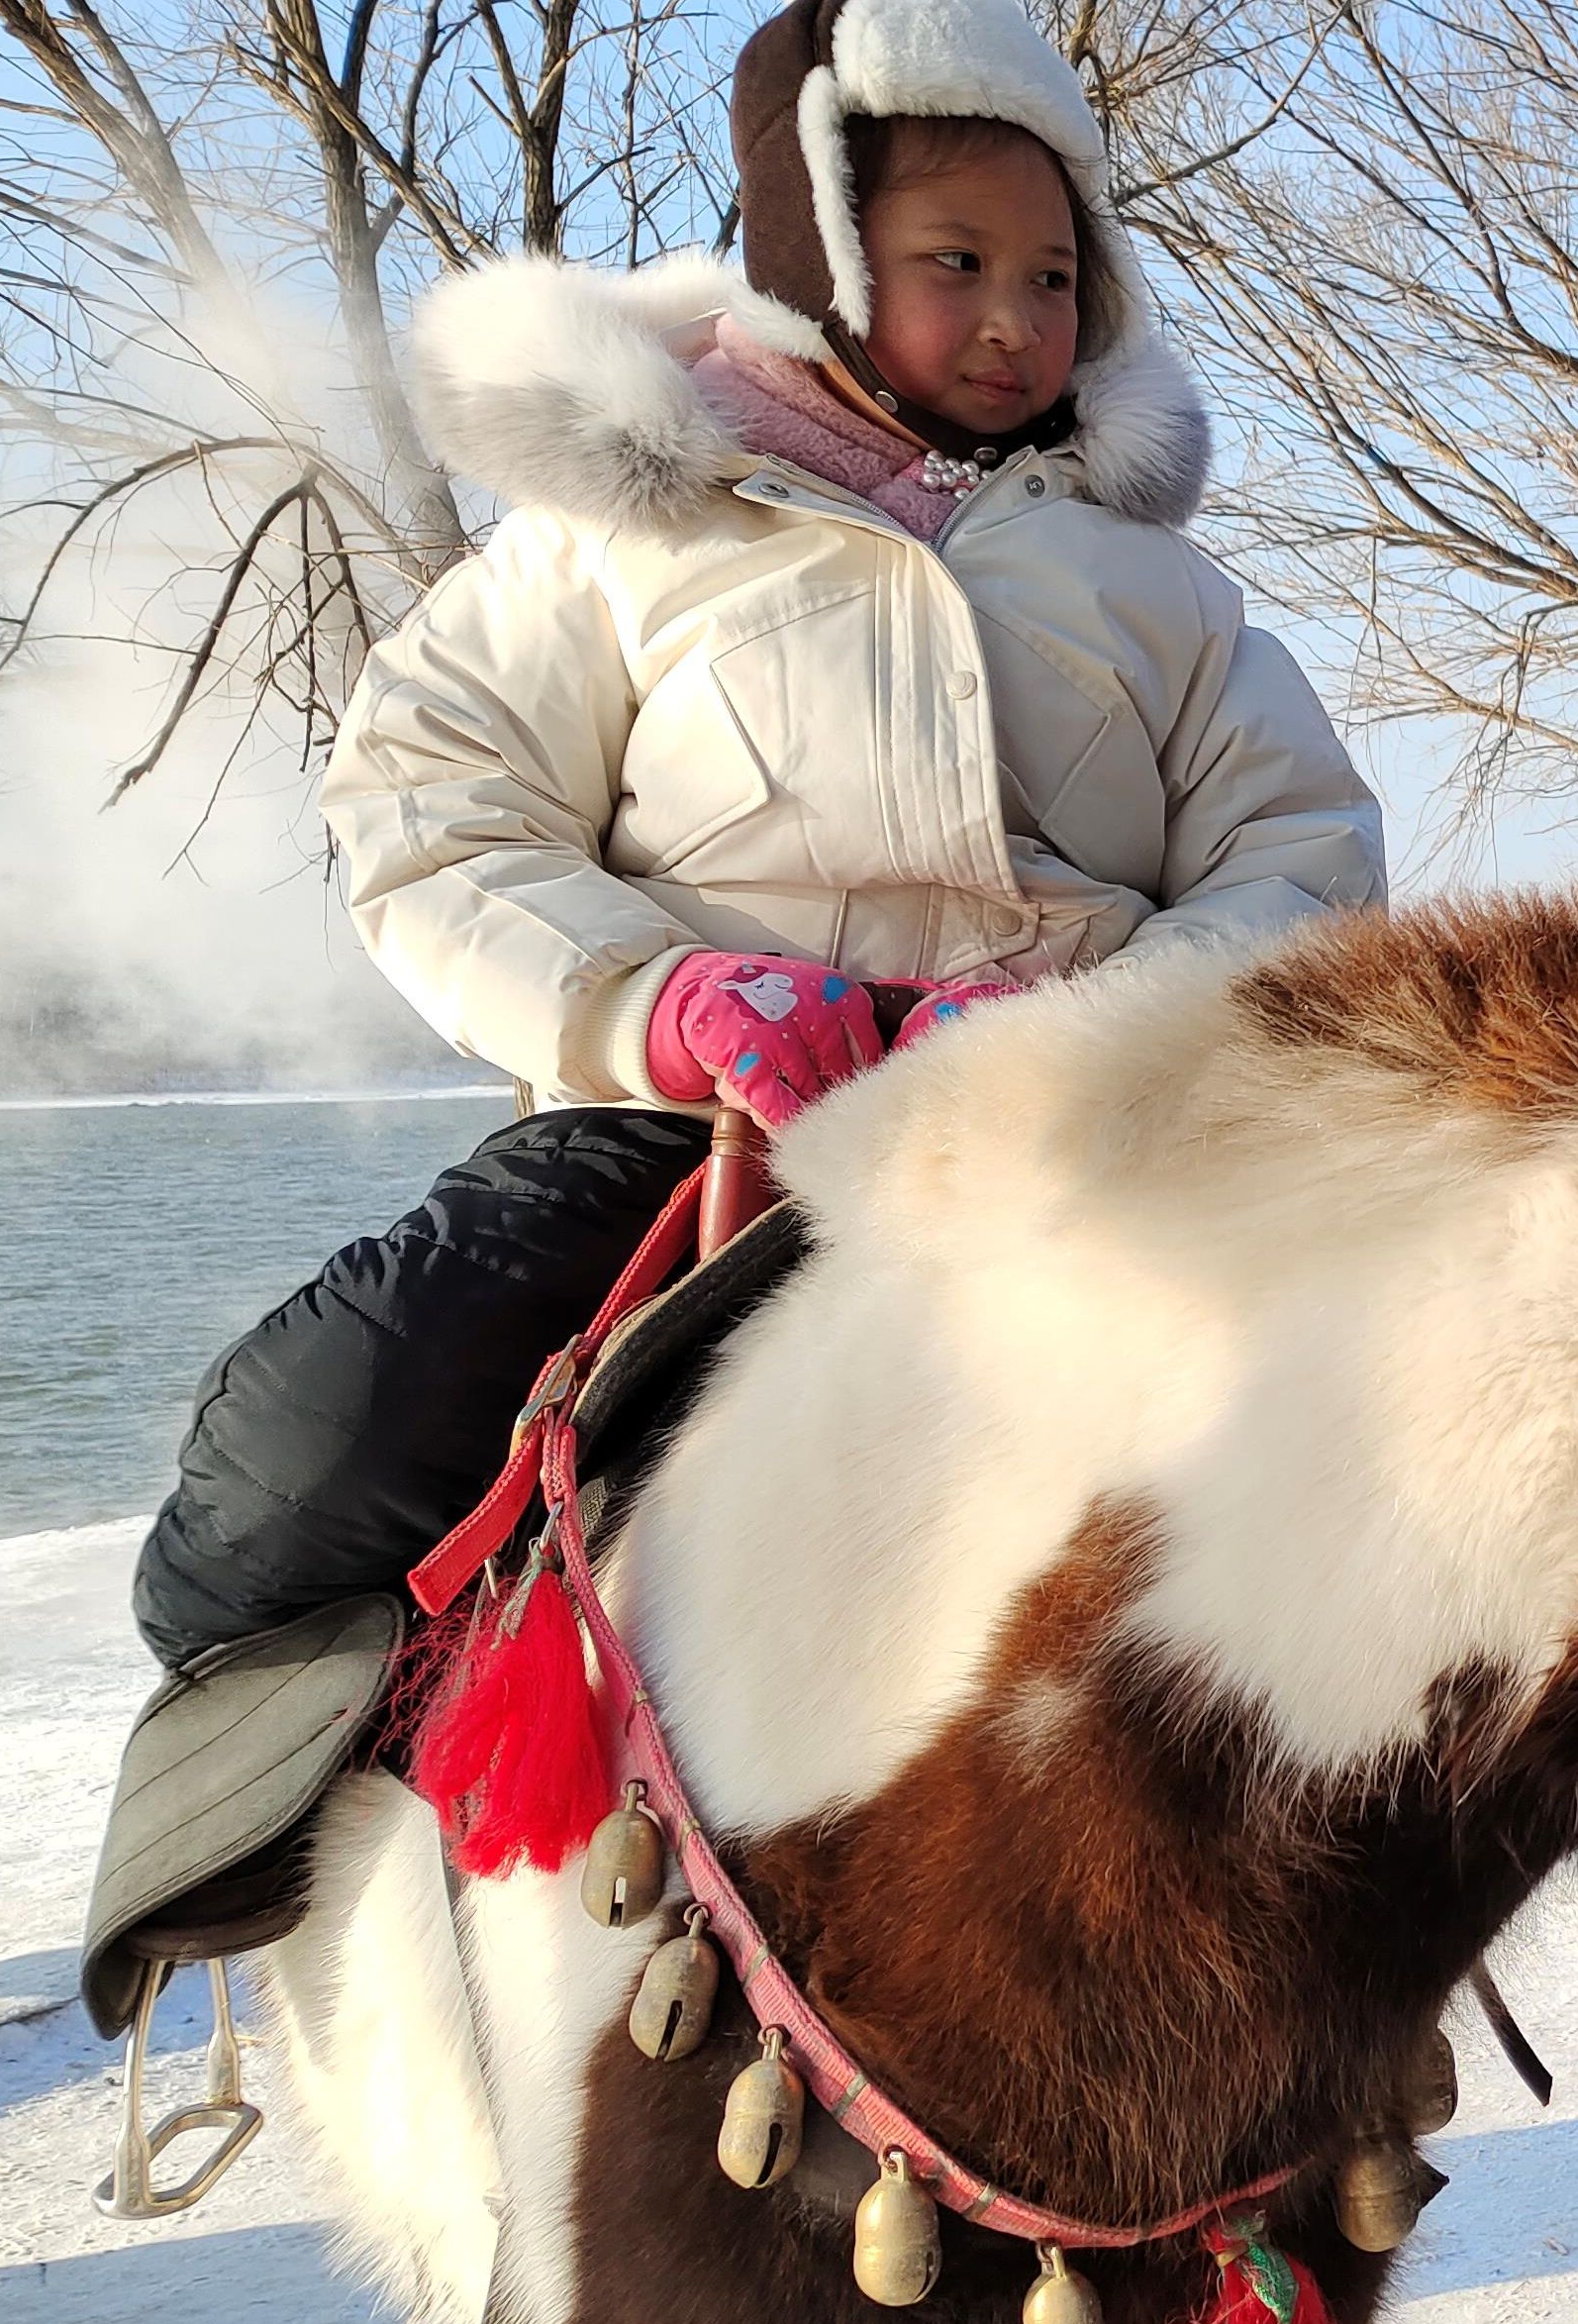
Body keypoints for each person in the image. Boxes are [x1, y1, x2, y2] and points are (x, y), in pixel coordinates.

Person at [84, 0, 1378, 2025]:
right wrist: (670, 994)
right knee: (295, 1455)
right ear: (829, 258)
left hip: (1079, 1143)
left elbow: (1300, 860)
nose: (1017, 318)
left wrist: (1102, 1033)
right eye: (957, 262)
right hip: (686, 1127)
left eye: (1056, 277)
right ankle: (289, 1866)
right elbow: (425, 804)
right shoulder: (630, 526)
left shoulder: (1164, 592)